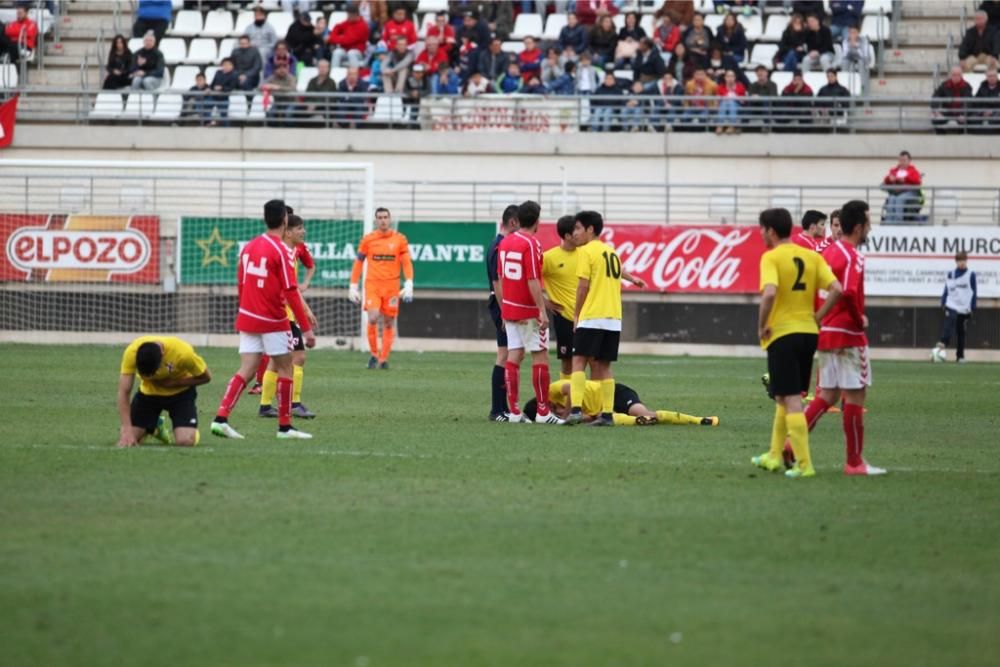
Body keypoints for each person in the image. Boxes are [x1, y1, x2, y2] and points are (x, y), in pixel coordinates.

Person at [793, 200, 887, 476]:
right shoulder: (851, 255)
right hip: (848, 333)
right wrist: (860, 321)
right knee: (856, 395)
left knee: (828, 394)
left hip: (827, 334)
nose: (869, 227)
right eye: (868, 222)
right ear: (858, 227)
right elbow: (847, 292)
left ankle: (790, 447)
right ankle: (854, 462)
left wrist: (818, 319)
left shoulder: (828, 253)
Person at [210, 199, 316, 441]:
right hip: (272, 318)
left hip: (247, 316)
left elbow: (241, 282)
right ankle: (285, 427)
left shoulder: (249, 246)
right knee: (287, 366)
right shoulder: (282, 250)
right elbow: (290, 291)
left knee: (247, 369)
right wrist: (307, 330)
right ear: (285, 220)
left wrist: (245, 310)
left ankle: (221, 418)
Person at [751, 207, 842, 478]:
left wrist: (762, 325)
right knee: (783, 395)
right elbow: (836, 289)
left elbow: (769, 293)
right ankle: (774, 455)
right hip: (809, 334)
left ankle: (805, 465)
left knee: (790, 399)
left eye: (761, 229)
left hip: (783, 335)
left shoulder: (771, 257)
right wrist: (818, 316)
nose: (760, 234)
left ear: (770, 230)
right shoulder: (810, 256)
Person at [567, 211, 646, 426]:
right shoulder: (610, 252)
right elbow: (620, 270)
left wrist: (576, 314)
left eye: (578, 228)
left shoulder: (586, 251)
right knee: (604, 366)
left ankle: (575, 410)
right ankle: (607, 414)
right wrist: (634, 279)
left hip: (593, 315)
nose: (575, 233)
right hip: (613, 318)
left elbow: (583, 286)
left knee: (578, 360)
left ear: (590, 229)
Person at [497, 201, 563, 425]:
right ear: (537, 220)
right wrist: (542, 311)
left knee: (514, 356)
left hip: (510, 308)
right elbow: (533, 279)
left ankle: (514, 412)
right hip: (528, 310)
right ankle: (543, 412)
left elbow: (503, 278)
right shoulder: (532, 243)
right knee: (540, 356)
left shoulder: (505, 242)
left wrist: (505, 310)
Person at [258, 215, 317, 420]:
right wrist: (306, 311)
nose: (303, 232)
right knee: (298, 357)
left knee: (276, 361)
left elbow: (294, 285)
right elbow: (289, 289)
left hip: (283, 312)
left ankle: (265, 406)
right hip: (283, 313)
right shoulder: (283, 254)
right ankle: (294, 404)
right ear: (288, 231)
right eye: (299, 228)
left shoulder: (291, 252)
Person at [349, 208, 414, 370]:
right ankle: (373, 354)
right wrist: (353, 285)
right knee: (372, 317)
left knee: (389, 322)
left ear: (390, 219)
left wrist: (409, 282)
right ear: (376, 220)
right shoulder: (368, 240)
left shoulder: (400, 239)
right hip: (373, 285)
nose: (383, 220)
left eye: (385, 217)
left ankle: (384, 359)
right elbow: (358, 262)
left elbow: (406, 261)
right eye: (380, 218)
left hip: (392, 286)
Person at [117, 336, 212, 448]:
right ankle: (155, 428)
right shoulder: (132, 352)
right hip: (148, 395)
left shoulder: (183, 353)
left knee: (185, 441)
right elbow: (124, 391)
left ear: (163, 356)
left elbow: (206, 377)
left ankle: (187, 430)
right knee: (130, 439)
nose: (151, 377)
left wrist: (173, 384)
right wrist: (127, 430)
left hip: (181, 395)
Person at [523, 379, 719, 426]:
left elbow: (572, 386)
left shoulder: (552, 390)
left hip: (614, 393)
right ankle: (639, 421)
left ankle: (699, 420)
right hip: (606, 410)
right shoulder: (557, 416)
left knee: (647, 414)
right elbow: (587, 416)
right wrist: (587, 417)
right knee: (600, 419)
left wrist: (567, 414)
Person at [486, 205, 520, 421]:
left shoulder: (498, 244)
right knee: (504, 355)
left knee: (509, 354)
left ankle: (504, 408)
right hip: (501, 305)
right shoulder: (499, 246)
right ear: (514, 222)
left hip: (503, 305)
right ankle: (497, 410)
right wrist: (505, 310)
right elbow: (498, 282)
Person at [542, 215, 581, 381]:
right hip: (564, 318)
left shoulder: (586, 254)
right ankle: (566, 400)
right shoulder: (549, 258)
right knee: (567, 361)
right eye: (576, 230)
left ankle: (587, 400)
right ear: (567, 235)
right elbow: (528, 280)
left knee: (591, 360)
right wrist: (544, 303)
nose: (580, 233)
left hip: (586, 316)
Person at [933, 250, 978, 363]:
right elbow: (947, 288)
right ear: (956, 262)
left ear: (966, 261)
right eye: (959, 261)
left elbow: (974, 291)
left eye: (964, 260)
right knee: (950, 319)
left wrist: (973, 306)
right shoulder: (951, 274)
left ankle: (960, 356)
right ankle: (943, 342)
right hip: (952, 304)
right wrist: (943, 300)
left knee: (961, 332)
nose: (962, 263)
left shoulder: (971, 275)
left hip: (964, 307)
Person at [881, 150, 922, 224]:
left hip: (909, 192)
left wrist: (905, 179)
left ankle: (898, 222)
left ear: (909, 161)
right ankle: (889, 222)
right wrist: (890, 179)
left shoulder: (913, 171)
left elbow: (917, 181)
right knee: (891, 199)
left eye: (904, 160)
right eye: (900, 160)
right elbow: (886, 180)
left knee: (899, 199)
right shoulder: (894, 170)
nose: (902, 162)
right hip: (896, 192)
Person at [262, 62, 298, 127]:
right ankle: (273, 129)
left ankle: (292, 129)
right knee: (270, 114)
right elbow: (261, 87)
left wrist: (277, 87)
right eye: (279, 68)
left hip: (291, 102)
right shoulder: (272, 78)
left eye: (284, 68)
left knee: (288, 114)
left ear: (287, 69)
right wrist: (268, 87)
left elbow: (292, 88)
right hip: (277, 102)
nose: (282, 70)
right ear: (275, 70)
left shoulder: (291, 77)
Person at [207, 58, 239, 126]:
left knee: (224, 115)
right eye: (224, 64)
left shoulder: (234, 74)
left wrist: (222, 88)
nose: (226, 66)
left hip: (224, 98)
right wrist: (209, 88)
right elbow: (213, 84)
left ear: (232, 66)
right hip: (214, 96)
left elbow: (231, 87)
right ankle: (212, 122)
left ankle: (226, 129)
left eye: (228, 65)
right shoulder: (218, 72)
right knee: (204, 107)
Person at [304, 58, 338, 123]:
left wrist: (316, 104)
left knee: (329, 110)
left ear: (328, 69)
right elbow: (307, 95)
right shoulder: (312, 81)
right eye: (321, 67)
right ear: (317, 68)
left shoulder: (331, 82)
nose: (322, 69)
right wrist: (309, 103)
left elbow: (332, 99)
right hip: (311, 106)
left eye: (324, 67)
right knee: (299, 110)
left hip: (325, 107)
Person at [747, 64, 777, 129]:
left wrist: (760, 97)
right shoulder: (753, 85)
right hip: (756, 107)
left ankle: (767, 126)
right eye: (758, 72)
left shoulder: (772, 85)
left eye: (762, 71)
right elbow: (750, 96)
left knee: (766, 101)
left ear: (767, 73)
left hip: (768, 108)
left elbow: (773, 97)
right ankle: (742, 126)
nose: (760, 73)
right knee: (748, 104)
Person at [715, 68, 745, 134]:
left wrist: (735, 97)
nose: (730, 78)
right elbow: (717, 102)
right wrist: (724, 98)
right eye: (728, 76)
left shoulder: (740, 86)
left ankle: (731, 126)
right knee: (724, 102)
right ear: (725, 78)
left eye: (732, 76)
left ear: (735, 77)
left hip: (737, 107)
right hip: (723, 106)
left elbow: (743, 102)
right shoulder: (720, 87)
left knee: (731, 102)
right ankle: (720, 126)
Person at [974, 66, 1000, 132]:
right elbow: (976, 101)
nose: (992, 78)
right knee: (974, 117)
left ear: (997, 76)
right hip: (983, 111)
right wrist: (983, 111)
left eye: (994, 76)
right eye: (990, 76)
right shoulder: (982, 86)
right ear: (986, 77)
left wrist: (992, 111)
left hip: (997, 111)